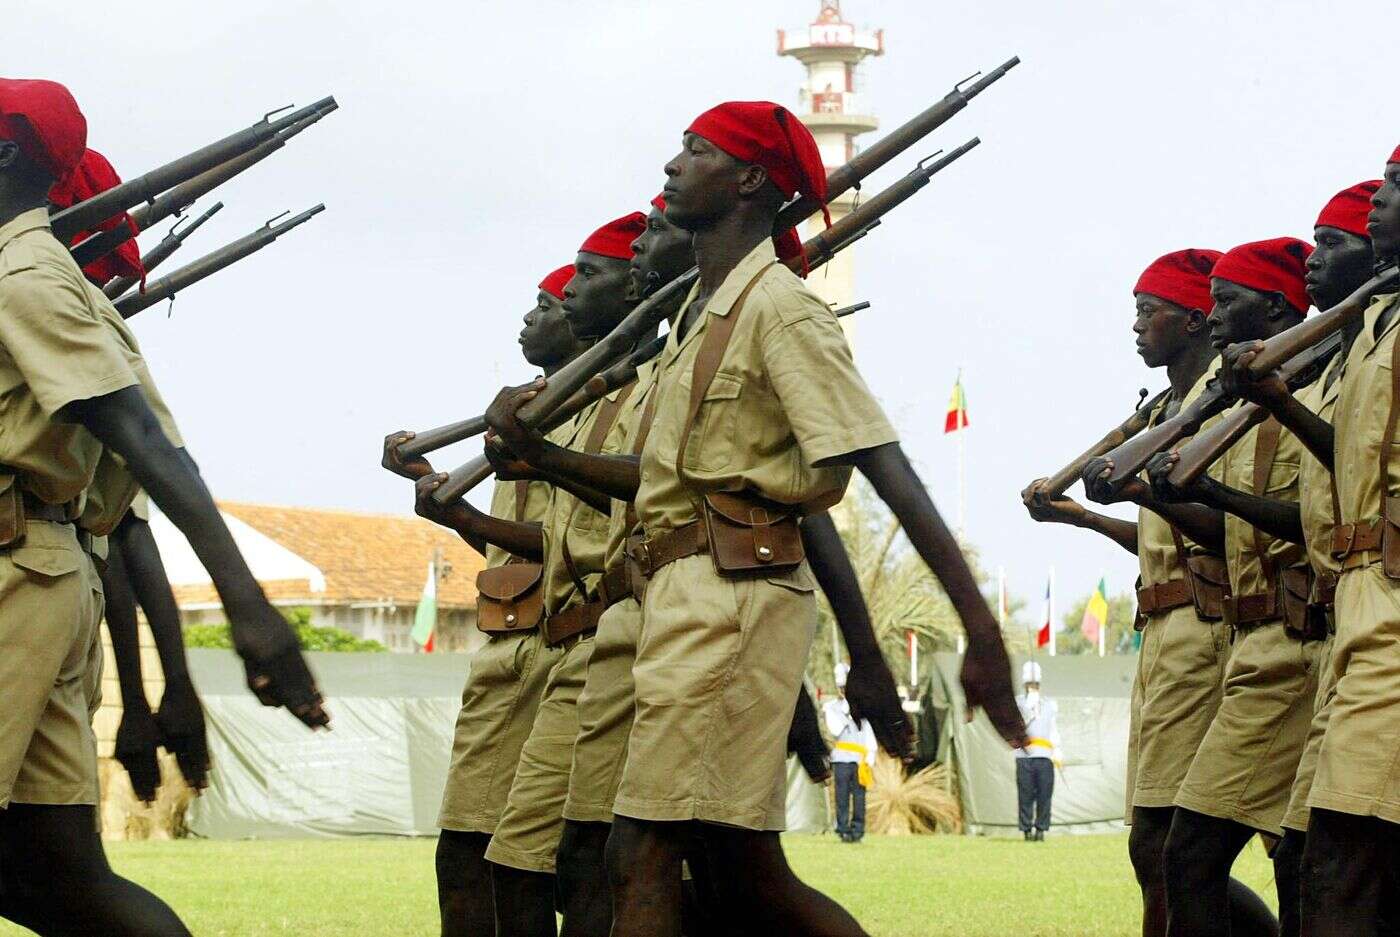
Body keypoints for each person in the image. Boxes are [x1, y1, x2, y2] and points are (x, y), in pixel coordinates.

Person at [482, 99, 1023, 937]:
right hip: (677, 596)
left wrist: (979, 633)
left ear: (748, 180)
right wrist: (541, 451)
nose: (671, 166)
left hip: (732, 596)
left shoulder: (782, 307)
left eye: (695, 150)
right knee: (739, 878)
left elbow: (883, 464)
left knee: (643, 854)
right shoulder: (700, 320)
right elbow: (663, 479)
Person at [0, 76, 325, 937]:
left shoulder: (27, 275)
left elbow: (143, 445)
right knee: (55, 881)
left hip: (13, 576)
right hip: (37, 572)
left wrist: (249, 606)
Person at [1023, 248, 1277, 937]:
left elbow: (1229, 531)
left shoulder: (1220, 404)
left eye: (1149, 310)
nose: (1136, 325)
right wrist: (1084, 515)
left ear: (1194, 320)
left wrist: (1144, 492)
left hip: (1205, 627)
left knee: (1170, 847)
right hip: (1161, 626)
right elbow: (1160, 541)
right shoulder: (1168, 410)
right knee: (1168, 850)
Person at [385, 262, 590, 937]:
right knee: (466, 851)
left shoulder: (598, 407)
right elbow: (514, 556)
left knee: (543, 866)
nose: (528, 318)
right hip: (507, 643)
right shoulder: (524, 409)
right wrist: (439, 493)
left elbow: (579, 545)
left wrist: (463, 518)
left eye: (547, 303)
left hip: (565, 644)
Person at [1214, 182, 1385, 937]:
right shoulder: (1370, 332)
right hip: (1343, 615)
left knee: (1334, 863)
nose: (1315, 260)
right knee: (1314, 862)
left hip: (1355, 611)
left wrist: (1281, 403)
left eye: (1330, 242)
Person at [1142, 238, 1319, 937]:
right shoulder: (1234, 402)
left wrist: (1204, 489)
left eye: (1226, 299)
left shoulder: (1302, 388)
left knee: (1202, 853)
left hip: (1291, 638)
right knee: (1197, 853)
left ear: (1273, 306)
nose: (1214, 314)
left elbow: (1315, 518)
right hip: (1250, 642)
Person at [824, 663, 876, 844]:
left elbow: (868, 732)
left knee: (859, 797)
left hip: (860, 759)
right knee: (842, 796)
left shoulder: (863, 707)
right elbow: (835, 730)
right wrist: (845, 714)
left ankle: (858, 830)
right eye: (841, 688)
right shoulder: (831, 708)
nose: (843, 691)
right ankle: (843, 829)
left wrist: (871, 755)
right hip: (841, 758)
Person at [1015, 661, 1060, 842]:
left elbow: (1054, 729)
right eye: (1029, 684)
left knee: (1044, 795)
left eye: (1035, 684)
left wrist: (1057, 750)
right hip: (1024, 756)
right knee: (1025, 794)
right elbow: (1017, 727)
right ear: (1025, 685)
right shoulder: (1018, 704)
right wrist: (1029, 710)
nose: (1032, 687)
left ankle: (1041, 829)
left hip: (1044, 756)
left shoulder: (1049, 704)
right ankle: (1026, 829)